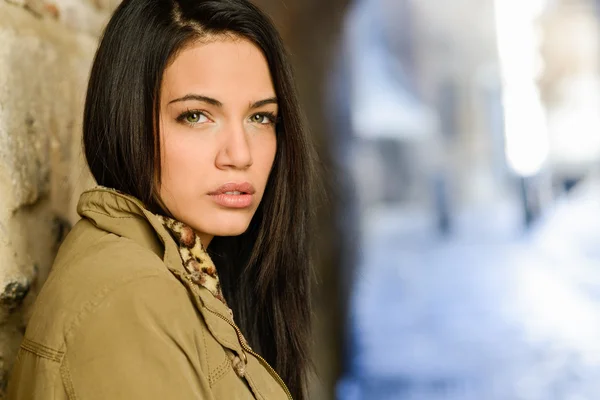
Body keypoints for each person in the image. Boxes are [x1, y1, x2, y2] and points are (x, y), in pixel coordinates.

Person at [7, 0, 318, 398]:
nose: (240, 155)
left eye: (260, 117)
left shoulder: (187, 272)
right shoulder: (129, 304)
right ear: (128, 120)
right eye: (196, 115)